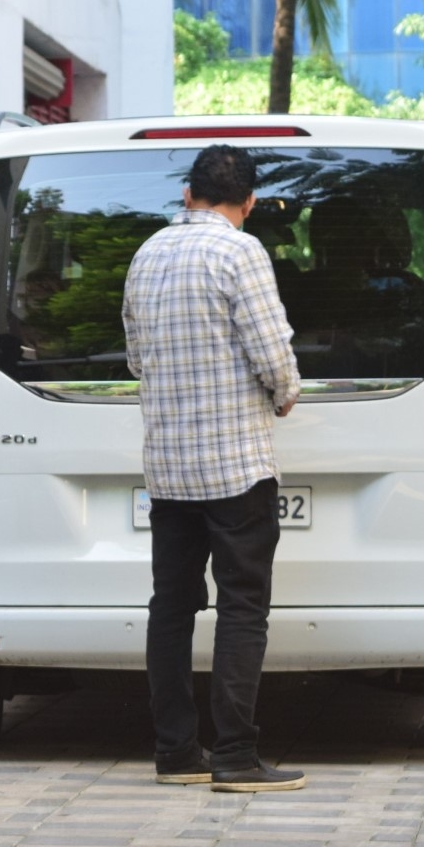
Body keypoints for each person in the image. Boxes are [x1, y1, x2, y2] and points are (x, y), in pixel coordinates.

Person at [122, 144, 304, 793]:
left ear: (188, 193)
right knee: (242, 606)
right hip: (235, 467)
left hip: (169, 468)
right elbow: (272, 349)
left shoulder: (148, 254)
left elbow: (137, 357)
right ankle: (235, 755)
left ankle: (176, 751)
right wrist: (284, 393)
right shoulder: (240, 251)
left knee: (171, 606)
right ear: (248, 202)